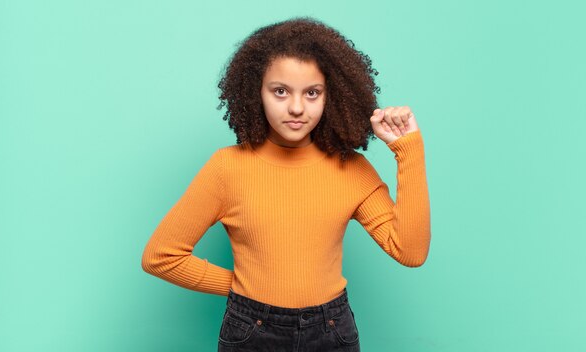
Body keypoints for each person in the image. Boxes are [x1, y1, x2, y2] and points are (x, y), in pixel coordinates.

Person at [141, 16, 431, 352]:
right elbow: (160, 256)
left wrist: (408, 149)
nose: (296, 107)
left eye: (312, 93)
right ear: (256, 92)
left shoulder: (351, 168)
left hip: (331, 331)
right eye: (280, 91)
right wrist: (239, 288)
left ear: (330, 96)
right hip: (252, 330)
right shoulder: (226, 168)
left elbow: (410, 252)